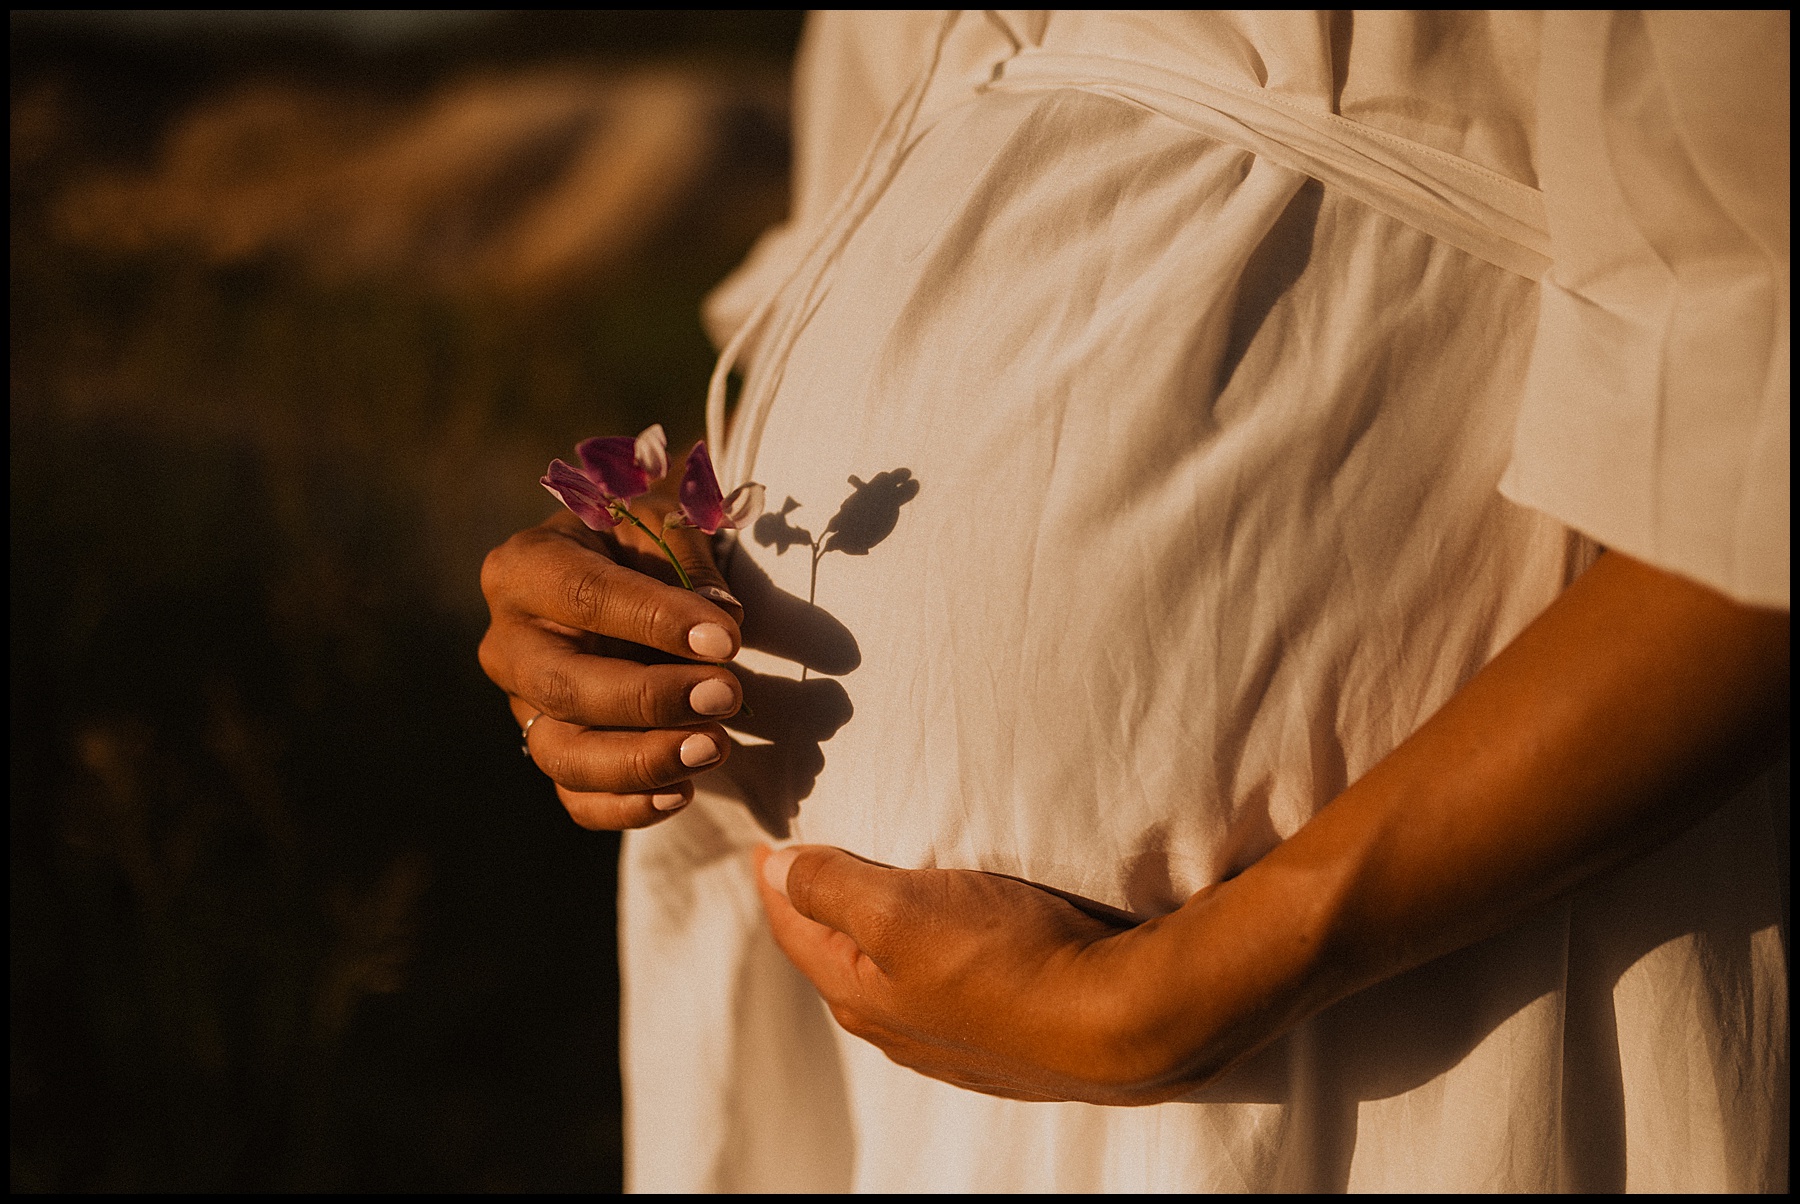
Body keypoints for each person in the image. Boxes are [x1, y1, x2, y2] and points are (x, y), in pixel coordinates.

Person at [478, 11, 1789, 1192]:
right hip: (909, 1079)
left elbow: (1761, 435)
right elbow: (855, 210)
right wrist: (645, 565)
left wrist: (1200, 983)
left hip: (1408, 1009)